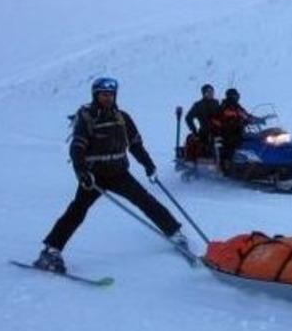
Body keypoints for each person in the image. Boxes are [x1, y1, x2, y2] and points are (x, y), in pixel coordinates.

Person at [34, 77, 189, 273]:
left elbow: (135, 145)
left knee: (145, 200)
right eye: (103, 94)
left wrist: (148, 164)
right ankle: (51, 250)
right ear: (95, 95)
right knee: (77, 210)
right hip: (94, 176)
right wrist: (82, 172)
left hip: (118, 173)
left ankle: (174, 232)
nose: (108, 98)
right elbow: (77, 148)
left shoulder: (122, 117)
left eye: (111, 94)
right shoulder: (87, 118)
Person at [213, 87, 263, 168]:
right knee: (233, 143)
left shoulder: (237, 106)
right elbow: (222, 119)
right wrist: (233, 123)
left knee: (254, 138)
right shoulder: (224, 106)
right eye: (235, 96)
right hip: (227, 132)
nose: (237, 97)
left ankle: (256, 160)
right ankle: (227, 163)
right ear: (231, 96)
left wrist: (259, 119)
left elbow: (246, 115)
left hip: (237, 130)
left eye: (237, 96)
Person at [184, 83, 221, 156]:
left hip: (218, 130)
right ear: (204, 93)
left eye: (212, 92)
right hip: (205, 131)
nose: (210, 94)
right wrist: (194, 130)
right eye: (208, 92)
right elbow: (188, 117)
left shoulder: (216, 103)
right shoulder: (199, 105)